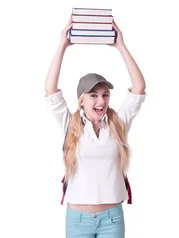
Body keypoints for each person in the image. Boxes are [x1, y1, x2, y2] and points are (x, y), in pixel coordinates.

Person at [44, 19, 147, 238]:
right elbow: (50, 89)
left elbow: (138, 87)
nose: (101, 100)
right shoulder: (69, 123)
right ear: (81, 100)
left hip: (112, 218)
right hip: (78, 220)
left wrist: (121, 46)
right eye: (93, 95)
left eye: (105, 94)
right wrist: (62, 45)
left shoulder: (118, 123)